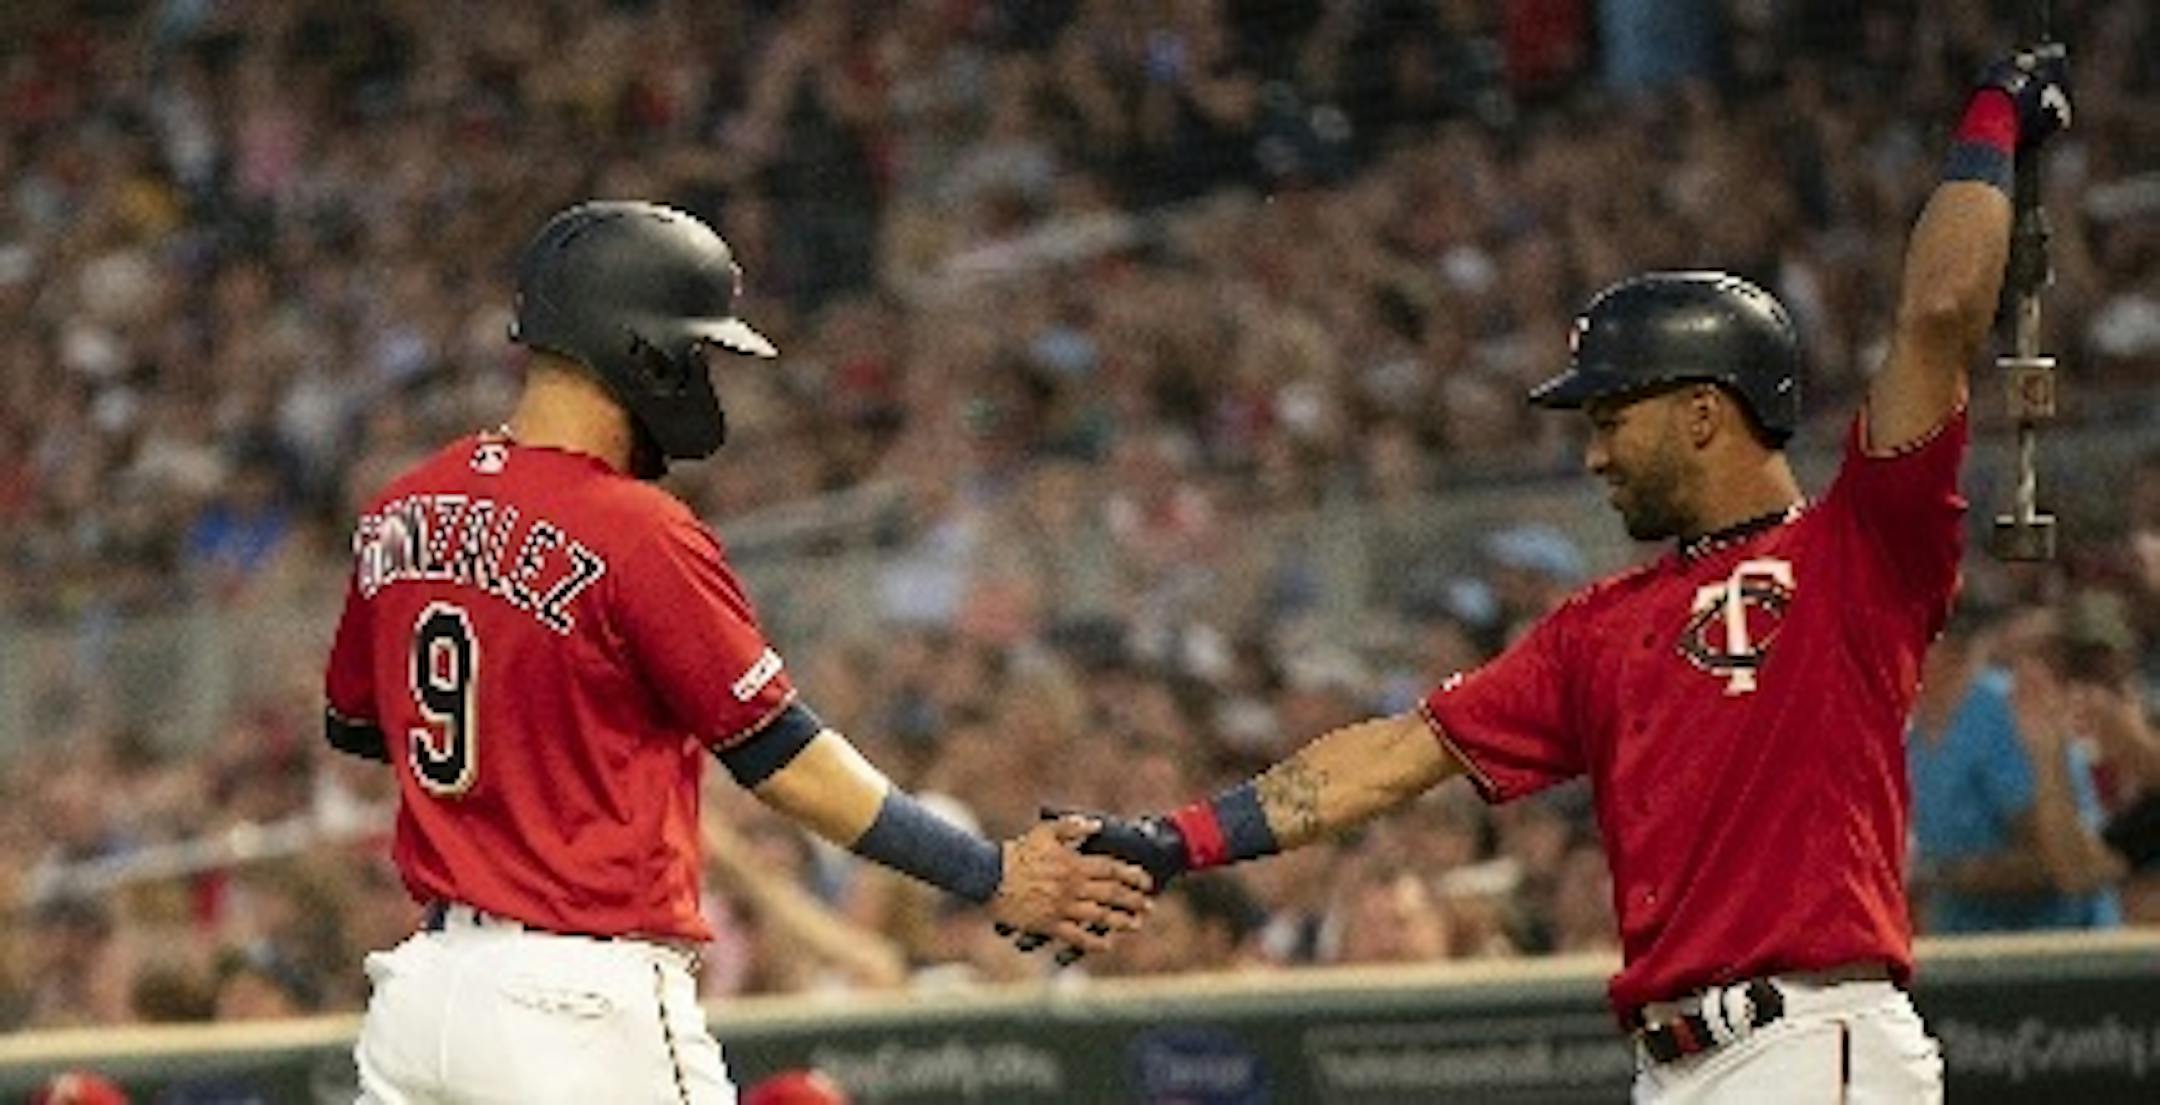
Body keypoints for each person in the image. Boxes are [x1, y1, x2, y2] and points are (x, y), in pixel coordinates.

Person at [1042, 47, 2074, 1104]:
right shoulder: (1597, 628)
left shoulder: (1860, 552)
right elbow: (1394, 756)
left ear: (1705, 409)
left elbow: (1940, 314)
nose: (1592, 452)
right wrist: (1174, 839)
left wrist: (1991, 118)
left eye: (1611, 415)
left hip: (1812, 1041)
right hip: (1679, 1066)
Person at [322, 201, 1152, 1104]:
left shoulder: (402, 505)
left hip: (422, 993)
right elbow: (785, 761)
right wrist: (985, 872)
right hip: (579, 1005)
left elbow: (364, 725)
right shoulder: (638, 530)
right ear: (640, 349)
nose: (701, 373)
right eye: (696, 349)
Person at [1907, 603, 2124, 933]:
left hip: (2058, 958)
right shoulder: (1914, 729)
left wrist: (1937, 875)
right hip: (1968, 957)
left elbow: (2053, 864)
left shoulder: (2006, 711)